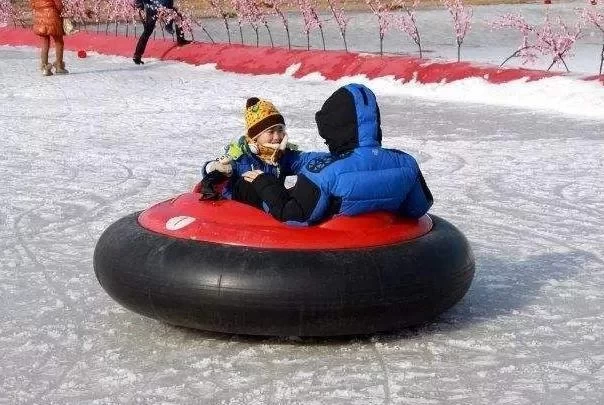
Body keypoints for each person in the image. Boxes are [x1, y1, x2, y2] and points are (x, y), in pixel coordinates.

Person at [240, 83, 433, 226]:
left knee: (248, 192)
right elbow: (418, 208)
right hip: (384, 245)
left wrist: (265, 183)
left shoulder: (322, 175)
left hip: (335, 249)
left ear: (335, 128)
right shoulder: (406, 163)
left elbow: (294, 216)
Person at [201, 97, 304, 207]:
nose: (277, 137)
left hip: (271, 205)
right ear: (256, 136)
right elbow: (210, 171)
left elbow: (303, 161)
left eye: (280, 130)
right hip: (238, 207)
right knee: (249, 182)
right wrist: (215, 167)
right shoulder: (242, 156)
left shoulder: (283, 155)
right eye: (271, 132)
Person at [133, 0, 191, 65]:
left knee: (147, 31)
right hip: (160, 7)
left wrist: (140, 5)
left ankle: (137, 55)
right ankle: (175, 34)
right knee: (178, 16)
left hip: (152, 8)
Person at [31, 0, 68, 76]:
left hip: (39, 16)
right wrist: (63, 11)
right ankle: (59, 66)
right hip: (52, 14)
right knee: (59, 41)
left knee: (45, 42)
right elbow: (58, 4)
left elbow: (32, 4)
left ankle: (45, 68)